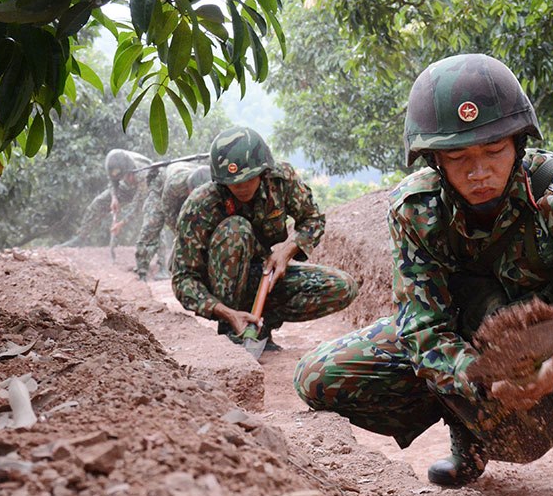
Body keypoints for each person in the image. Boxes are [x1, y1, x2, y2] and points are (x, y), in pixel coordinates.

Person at [293, 54, 553, 496]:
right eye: (458, 158)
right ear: (434, 160)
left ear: (518, 142)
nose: (478, 171)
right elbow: (422, 329)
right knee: (319, 376)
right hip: (474, 348)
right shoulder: (417, 209)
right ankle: (467, 434)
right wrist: (475, 377)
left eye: (494, 150)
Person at [171, 126, 359, 350]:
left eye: (248, 178)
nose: (240, 186)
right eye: (233, 181)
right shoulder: (200, 206)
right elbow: (183, 279)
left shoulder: (280, 181)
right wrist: (224, 312)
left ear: (262, 171)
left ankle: (262, 325)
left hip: (263, 276)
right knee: (235, 229)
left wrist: (286, 251)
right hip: (220, 289)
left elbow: (313, 219)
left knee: (342, 286)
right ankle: (233, 329)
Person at [135, 162, 211, 281]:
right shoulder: (174, 185)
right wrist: (181, 235)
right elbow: (168, 213)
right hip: (161, 190)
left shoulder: (210, 180)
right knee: (152, 224)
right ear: (189, 190)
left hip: (183, 192)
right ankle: (142, 271)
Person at [64, 149, 152, 247]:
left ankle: (160, 257)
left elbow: (137, 207)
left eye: (125, 176)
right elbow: (113, 181)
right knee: (99, 202)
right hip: (127, 188)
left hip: (150, 191)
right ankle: (80, 238)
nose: (122, 178)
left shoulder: (142, 173)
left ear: (130, 172)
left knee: (153, 218)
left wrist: (121, 224)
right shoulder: (116, 165)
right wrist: (114, 198)